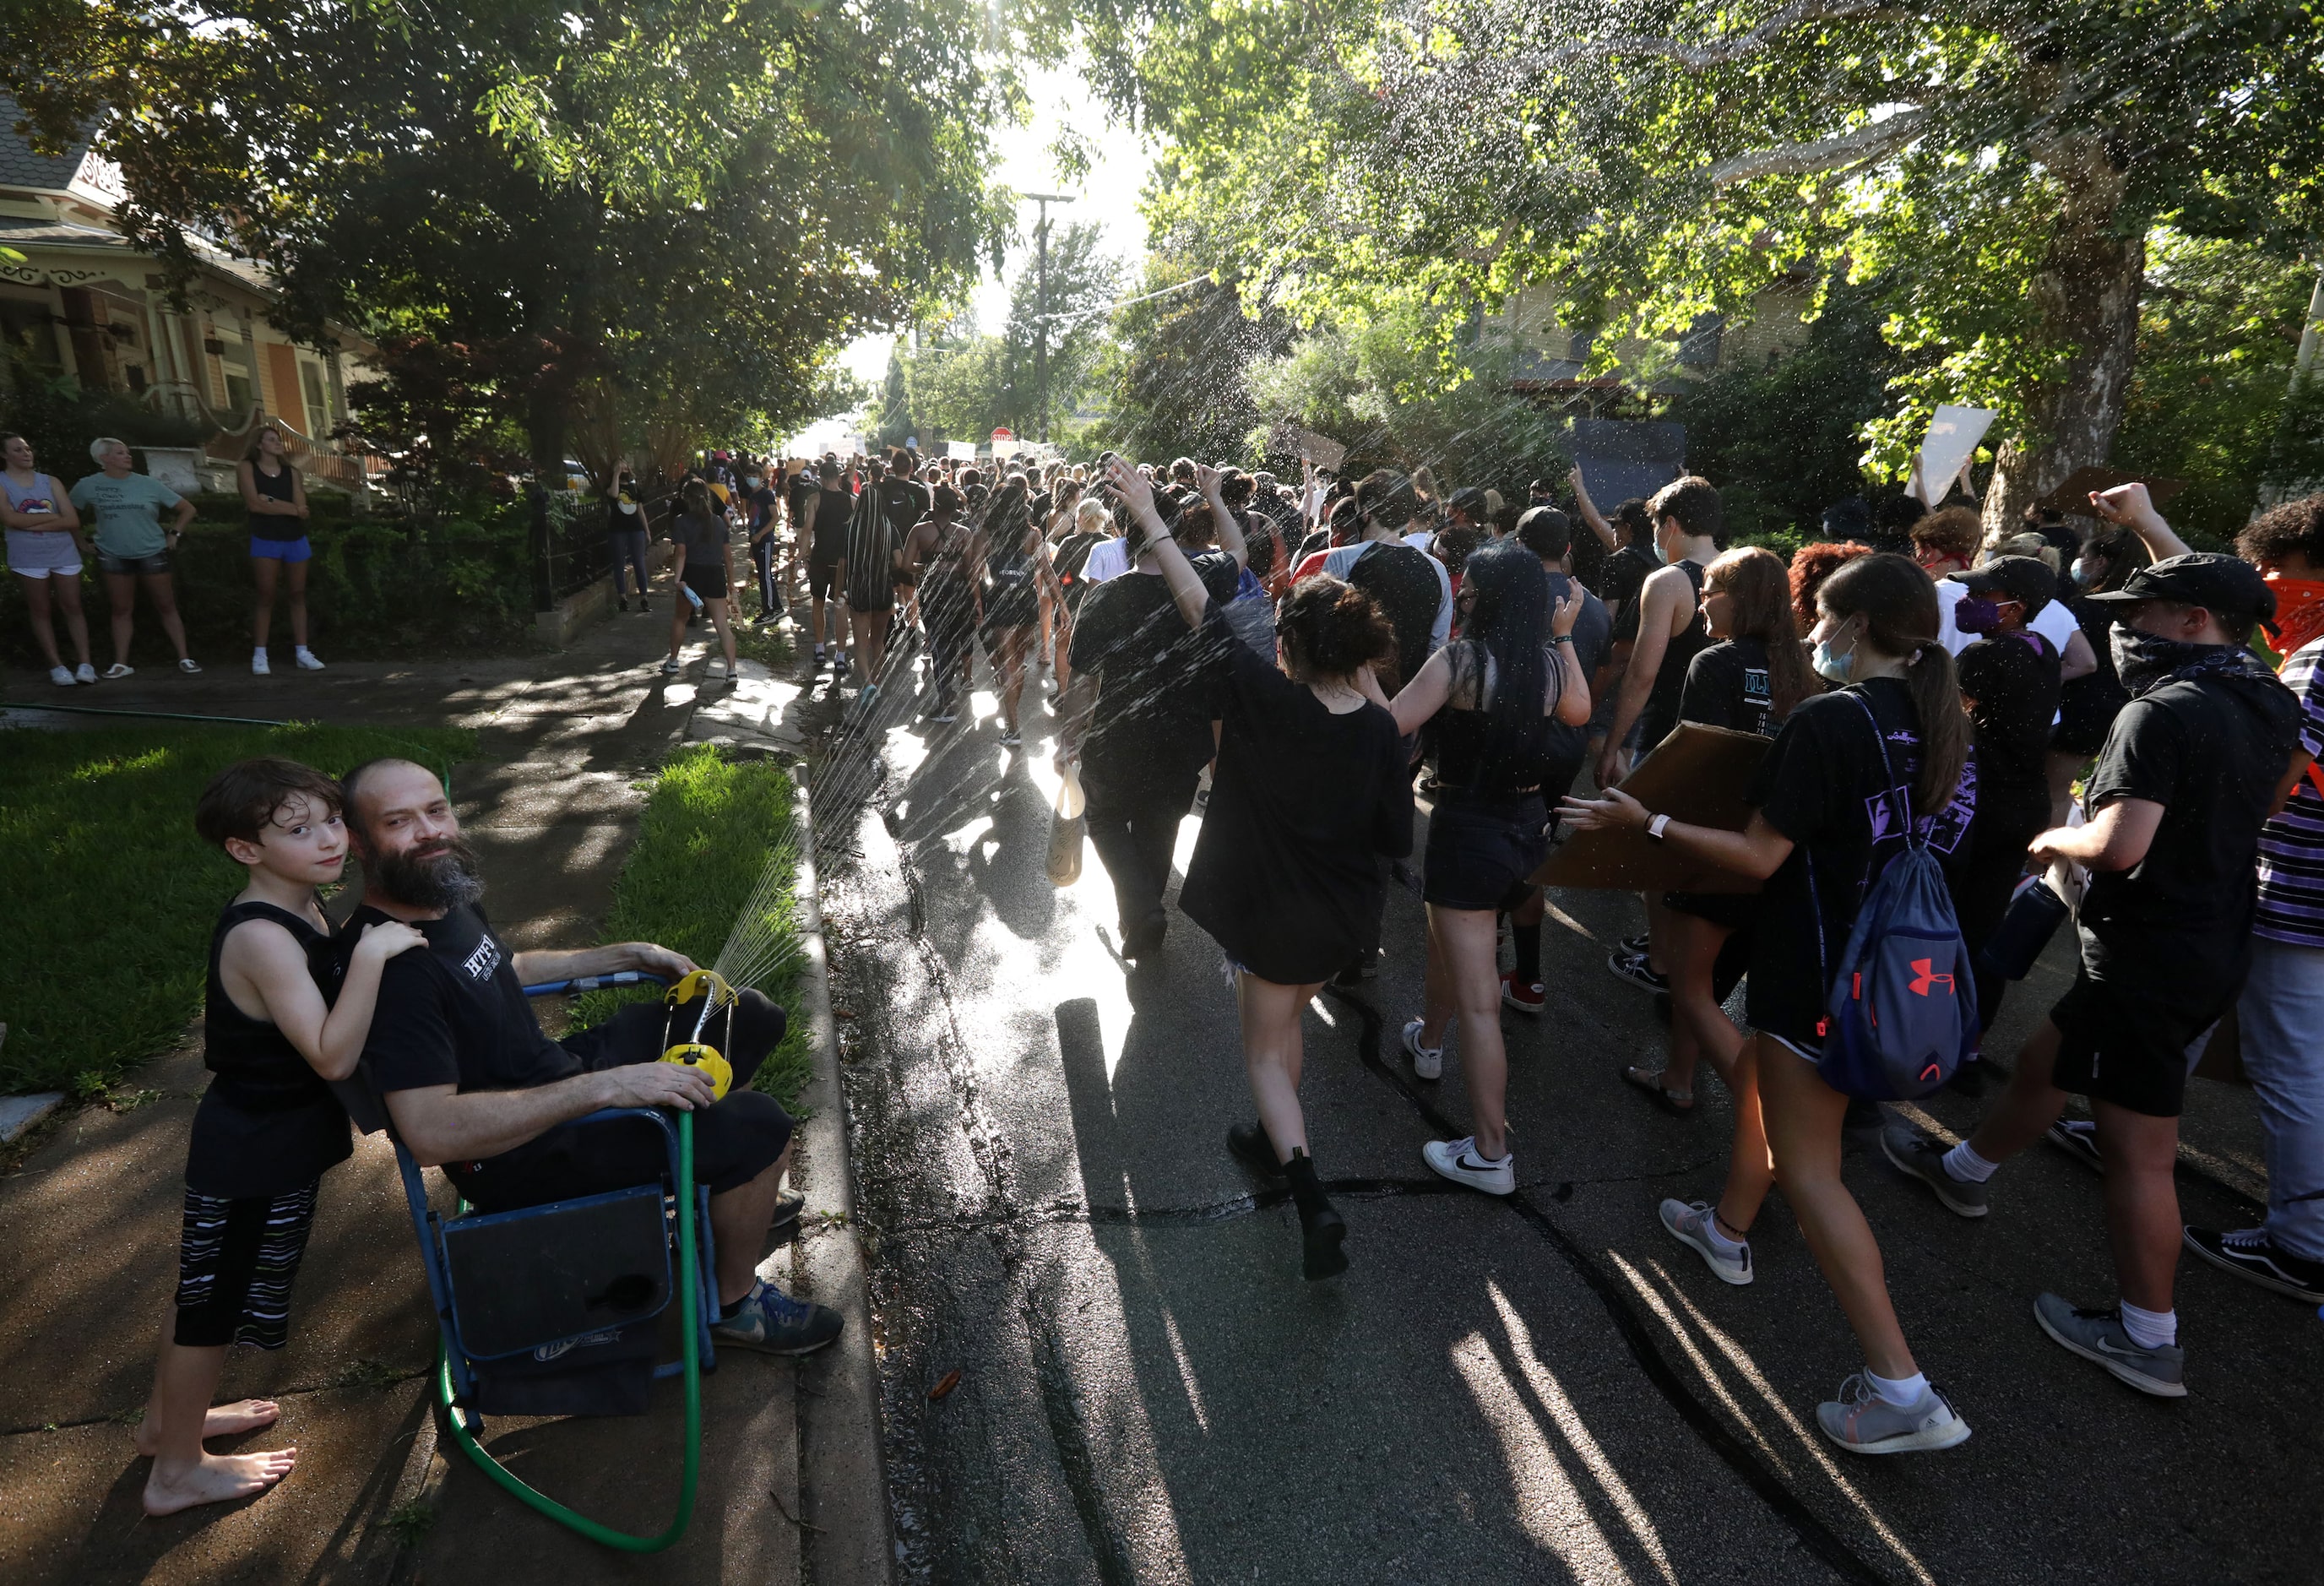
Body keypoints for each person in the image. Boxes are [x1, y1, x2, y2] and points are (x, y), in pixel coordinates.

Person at [1884, 485, 2300, 1400]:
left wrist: (2054, 836)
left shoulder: (2161, 712)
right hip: (2203, 936)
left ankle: (2147, 1338)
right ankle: (1962, 1168)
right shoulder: (2266, 697)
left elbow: (2118, 847)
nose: (2126, 628)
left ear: (2193, 621)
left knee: (2140, 1152)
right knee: (2046, 1058)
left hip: (2149, 949)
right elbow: (2271, 803)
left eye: (2141, 613)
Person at [1563, 551, 1977, 1454]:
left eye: (1825, 618)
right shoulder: (1936, 719)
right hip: (1891, 967)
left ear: (1856, 625)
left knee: (1813, 1170)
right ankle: (1724, 1226)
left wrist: (1650, 822)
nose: (1815, 632)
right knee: (1755, 1079)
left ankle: (1899, 1385)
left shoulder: (1830, 721)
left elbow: (1756, 858)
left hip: (1818, 969)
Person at [340, 758, 842, 1354]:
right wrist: (610, 1088)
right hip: (523, 1156)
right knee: (761, 1127)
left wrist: (617, 954)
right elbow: (430, 1134)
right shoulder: (394, 972)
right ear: (358, 842)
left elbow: (500, 969)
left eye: (436, 810)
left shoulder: (437, 895)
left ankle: (729, 1188)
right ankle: (735, 1306)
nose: (429, 832)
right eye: (399, 820)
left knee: (747, 1014)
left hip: (558, 1075)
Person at [1105, 459, 1412, 1279]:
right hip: (1339, 923)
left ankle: (1312, 1200)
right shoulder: (1379, 732)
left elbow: (1198, 608)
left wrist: (1151, 517)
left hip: (1274, 919)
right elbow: (1395, 835)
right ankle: (1280, 1144)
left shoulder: (1265, 699)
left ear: (1289, 647)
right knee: (1282, 1037)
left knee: (1263, 1054)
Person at [140, 758, 426, 1516]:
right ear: (245, 850)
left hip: (271, 1141)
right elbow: (330, 1051)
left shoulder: (302, 905)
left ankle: (165, 1423)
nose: (330, 838)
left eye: (332, 819)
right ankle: (174, 1472)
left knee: (204, 1290)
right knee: (212, 1303)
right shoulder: (263, 934)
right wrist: (371, 954)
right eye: (299, 830)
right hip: (252, 1151)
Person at [1370, 540, 1591, 1197]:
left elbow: (1392, 726)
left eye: (1467, 589)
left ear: (1483, 597)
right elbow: (1579, 711)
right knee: (1454, 949)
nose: (1460, 595)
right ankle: (1429, 1041)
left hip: (1468, 831)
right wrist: (1566, 636)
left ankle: (1492, 1153)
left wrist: (1360, 668)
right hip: (1528, 831)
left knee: (1481, 1001)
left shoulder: (1460, 660)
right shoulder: (1549, 666)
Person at [2181, 493, 2324, 1302]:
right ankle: (2127, 1120)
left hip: (2301, 893)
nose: (2271, 589)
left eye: (2283, 572)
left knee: (2290, 1064)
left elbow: (2273, 782)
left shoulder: (2319, 658)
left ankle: (2303, 1243)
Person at [1621, 546, 1813, 1111]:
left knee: (1689, 987)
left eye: (1710, 591)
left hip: (1712, 850)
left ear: (1743, 598)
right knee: (1706, 985)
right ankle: (1679, 1078)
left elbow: (1695, 762)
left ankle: (1767, 1125)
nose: (1701, 601)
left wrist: (1651, 825)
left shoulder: (1716, 663)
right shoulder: (1805, 671)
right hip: (1773, 853)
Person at [1056, 478, 1245, 968]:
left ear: (1123, 535)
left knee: (1103, 819)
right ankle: (1144, 916)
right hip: (1184, 736)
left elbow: (1081, 679)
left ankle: (1141, 911)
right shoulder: (1203, 586)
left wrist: (1068, 739)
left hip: (1117, 735)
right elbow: (1239, 549)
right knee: (1161, 825)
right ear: (1175, 529)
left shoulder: (1104, 598)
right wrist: (1217, 500)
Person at [1599, 476, 1724, 995]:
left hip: (1672, 733)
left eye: (1656, 527)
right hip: (1731, 736)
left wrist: (1612, 744)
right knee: (1699, 846)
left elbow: (1642, 674)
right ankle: (1683, 950)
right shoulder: (1747, 570)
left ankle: (1662, 959)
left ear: (1670, 525)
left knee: (1654, 836)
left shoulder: (1670, 581)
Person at [1943, 555, 2064, 1083]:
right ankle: (1967, 1051)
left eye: (1984, 596)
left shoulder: (1982, 655)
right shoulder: (2044, 651)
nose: (1971, 604)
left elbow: (1951, 721)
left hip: (1979, 806)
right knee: (1984, 931)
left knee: (1941, 923)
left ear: (2014, 609)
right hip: (2025, 805)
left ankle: (1911, 1035)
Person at [1501, 504, 1612, 1012]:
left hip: (1510, 742)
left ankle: (1491, 950)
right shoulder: (1588, 605)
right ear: (1567, 548)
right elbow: (1603, 673)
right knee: (1533, 848)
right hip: (1565, 746)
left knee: (1490, 845)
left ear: (1517, 546)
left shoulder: (1508, 592)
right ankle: (1528, 977)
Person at [70, 437, 199, 677]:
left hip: (151, 551)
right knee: (121, 609)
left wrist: (174, 534)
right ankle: (121, 663)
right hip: (113, 555)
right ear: (104, 458)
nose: (127, 456)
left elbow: (188, 508)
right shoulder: (88, 485)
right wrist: (79, 541)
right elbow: (67, 513)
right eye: (120, 453)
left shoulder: (148, 484)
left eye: (127, 452)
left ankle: (185, 657)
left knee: (166, 605)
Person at [3, 431, 96, 685]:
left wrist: (29, 523)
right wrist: (54, 517)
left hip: (63, 552)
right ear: (4, 455)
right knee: (40, 610)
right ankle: (57, 666)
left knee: (73, 606)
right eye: (18, 450)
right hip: (28, 557)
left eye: (27, 448)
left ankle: (86, 664)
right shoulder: (2, 483)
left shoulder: (50, 482)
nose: (26, 453)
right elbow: (10, 519)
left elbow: (72, 520)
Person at [238, 424, 322, 674]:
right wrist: (290, 509)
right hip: (266, 538)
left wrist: (272, 501)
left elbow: (303, 510)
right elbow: (254, 504)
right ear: (258, 444)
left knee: (297, 593)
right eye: (271, 439)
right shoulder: (246, 468)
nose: (278, 443)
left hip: (295, 538)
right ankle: (260, 654)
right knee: (266, 595)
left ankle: (302, 651)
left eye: (278, 439)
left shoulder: (291, 472)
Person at [901, 484, 980, 725]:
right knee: (954, 641)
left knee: (939, 643)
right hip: (958, 591)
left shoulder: (919, 531)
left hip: (933, 591)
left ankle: (945, 701)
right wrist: (977, 601)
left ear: (935, 506)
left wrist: (926, 568)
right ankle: (949, 689)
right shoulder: (964, 533)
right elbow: (970, 570)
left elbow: (905, 565)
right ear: (955, 509)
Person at [979, 475, 1044, 748]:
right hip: (1027, 602)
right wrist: (1061, 607)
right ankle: (1013, 720)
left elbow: (975, 574)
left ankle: (1014, 726)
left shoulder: (986, 533)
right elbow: (1046, 571)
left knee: (1007, 663)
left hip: (1001, 602)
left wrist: (979, 606)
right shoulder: (1033, 533)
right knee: (1017, 661)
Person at [842, 457, 905, 714]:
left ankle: (867, 683)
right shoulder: (890, 528)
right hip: (882, 590)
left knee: (859, 643)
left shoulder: (849, 527)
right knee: (877, 641)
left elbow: (844, 563)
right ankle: (876, 684)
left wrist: (839, 592)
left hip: (858, 590)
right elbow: (900, 562)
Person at [663, 481, 739, 682]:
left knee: (681, 618)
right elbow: (728, 557)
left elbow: (681, 553)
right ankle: (731, 669)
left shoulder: (681, 521)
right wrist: (731, 582)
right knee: (722, 625)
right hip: (715, 573)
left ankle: (673, 661)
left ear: (687, 499)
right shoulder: (719, 522)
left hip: (691, 574)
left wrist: (677, 579)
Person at [804, 458, 852, 670]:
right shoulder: (853, 501)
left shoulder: (814, 498)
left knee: (818, 602)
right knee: (841, 607)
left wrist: (800, 556)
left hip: (820, 556)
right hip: (843, 560)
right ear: (838, 478)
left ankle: (820, 648)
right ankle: (841, 656)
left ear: (821, 478)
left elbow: (807, 530)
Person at [606, 463, 652, 614]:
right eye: (620, 468)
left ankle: (644, 598)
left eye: (625, 468)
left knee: (639, 563)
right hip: (618, 530)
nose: (623, 470)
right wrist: (616, 475)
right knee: (619, 564)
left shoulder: (634, 487)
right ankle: (623, 598)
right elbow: (613, 494)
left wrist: (647, 531)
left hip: (635, 529)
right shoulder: (612, 485)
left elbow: (640, 510)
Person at [742, 463, 782, 624]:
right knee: (763, 575)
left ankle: (770, 610)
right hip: (756, 540)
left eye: (755, 476)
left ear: (761, 478)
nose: (751, 479)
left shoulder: (766, 495)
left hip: (764, 540)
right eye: (749, 476)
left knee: (766, 576)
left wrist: (760, 534)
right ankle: (777, 607)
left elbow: (775, 517)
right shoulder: (751, 496)